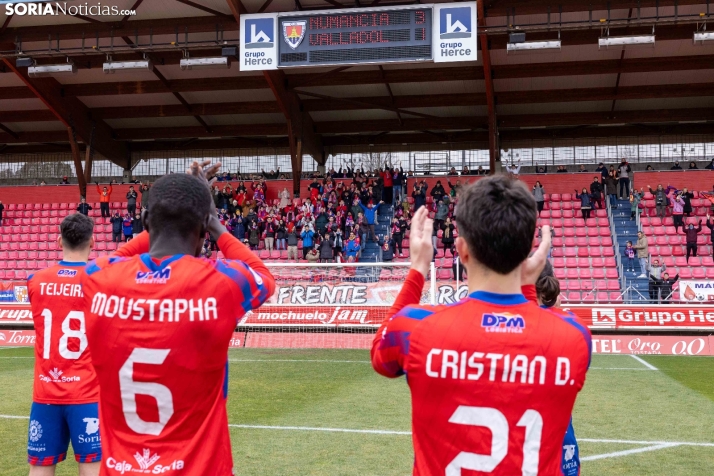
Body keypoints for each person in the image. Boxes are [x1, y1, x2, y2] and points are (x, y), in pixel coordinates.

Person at [370, 178, 590, 476]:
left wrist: (418, 269)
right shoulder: (572, 338)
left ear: (461, 250)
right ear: (526, 251)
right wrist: (527, 287)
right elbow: (542, 326)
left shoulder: (416, 327)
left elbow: (380, 353)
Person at [82, 161, 275, 474]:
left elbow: (114, 258)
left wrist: (166, 211)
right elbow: (263, 275)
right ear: (203, 226)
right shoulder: (220, 283)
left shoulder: (97, 279)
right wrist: (215, 224)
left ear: (145, 220)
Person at [26, 213, 101, 475]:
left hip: (45, 392)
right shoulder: (100, 282)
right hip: (87, 392)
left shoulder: (35, 281)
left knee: (40, 469)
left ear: (59, 241)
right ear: (93, 242)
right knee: (91, 467)